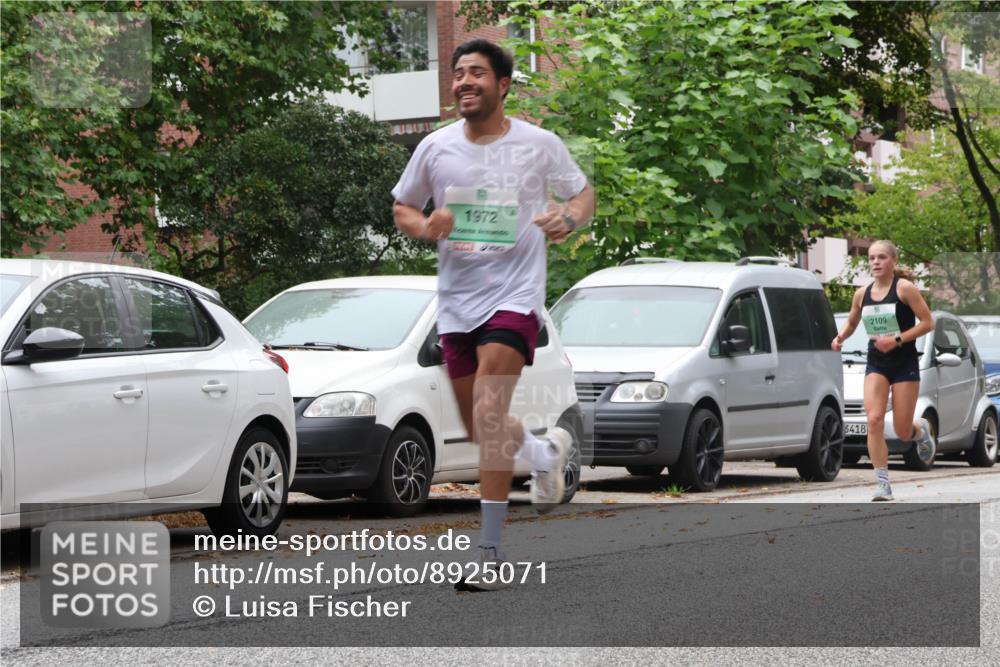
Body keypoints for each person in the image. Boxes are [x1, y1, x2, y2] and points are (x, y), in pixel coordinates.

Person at [391, 38, 596, 589]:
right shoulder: (434, 148)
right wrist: (423, 226)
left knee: (487, 406)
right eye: (458, 74)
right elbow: (403, 206)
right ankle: (541, 449)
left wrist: (567, 219)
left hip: (516, 297)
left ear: (502, 85)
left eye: (477, 73)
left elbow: (582, 196)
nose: (464, 82)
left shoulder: (539, 144)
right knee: (481, 428)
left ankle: (488, 551)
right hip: (456, 304)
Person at [832, 240, 935, 501]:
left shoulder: (905, 289)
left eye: (881, 257)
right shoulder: (861, 293)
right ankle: (882, 484)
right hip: (877, 362)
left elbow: (927, 323)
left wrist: (897, 339)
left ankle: (919, 430)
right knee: (874, 419)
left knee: (901, 431)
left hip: (904, 363)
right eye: (871, 258)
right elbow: (853, 321)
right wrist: (840, 337)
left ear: (893, 262)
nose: (875, 262)